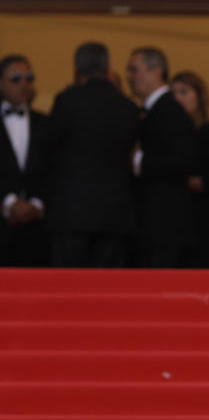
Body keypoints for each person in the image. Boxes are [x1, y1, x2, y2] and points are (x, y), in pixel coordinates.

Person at [44, 42, 140, 267]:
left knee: (68, 288)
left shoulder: (67, 101)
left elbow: (46, 145)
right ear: (108, 69)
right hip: (114, 213)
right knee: (107, 290)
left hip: (72, 212)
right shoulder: (127, 107)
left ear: (77, 70)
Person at [126, 46, 196, 267]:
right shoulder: (151, 111)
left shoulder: (169, 111)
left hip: (163, 225)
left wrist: (139, 161)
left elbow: (183, 159)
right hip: (153, 225)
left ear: (156, 71)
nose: (129, 77)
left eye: (134, 70)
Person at [171, 70, 209, 268]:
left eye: (184, 92)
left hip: (206, 228)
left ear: (199, 97)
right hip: (180, 228)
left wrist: (178, 181)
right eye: (173, 94)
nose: (178, 99)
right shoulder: (173, 136)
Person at [0, 55, 49, 266]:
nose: (23, 84)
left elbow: (56, 168)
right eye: (15, 78)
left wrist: (37, 205)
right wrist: (8, 202)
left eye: (29, 78)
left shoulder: (46, 122)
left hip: (38, 229)